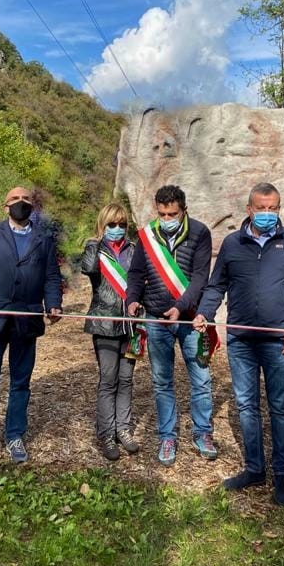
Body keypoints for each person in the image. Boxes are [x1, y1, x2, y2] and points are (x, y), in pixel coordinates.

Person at [194, 183, 284, 506]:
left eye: (273, 208)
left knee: (279, 408)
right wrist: (204, 313)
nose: (267, 214)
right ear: (248, 209)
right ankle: (254, 469)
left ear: (279, 208)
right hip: (241, 342)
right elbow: (216, 285)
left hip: (280, 342)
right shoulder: (233, 244)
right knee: (246, 406)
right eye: (261, 208)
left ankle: (281, 475)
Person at [0, 186, 63, 464]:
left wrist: (53, 303)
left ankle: (14, 435)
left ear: (32, 206)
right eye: (15, 199)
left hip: (27, 319)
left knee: (20, 382)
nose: (21, 203)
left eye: (25, 200)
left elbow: (51, 276)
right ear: (5, 206)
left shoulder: (44, 238)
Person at [126, 184, 216, 467]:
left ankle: (203, 433)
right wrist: (131, 298)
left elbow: (201, 277)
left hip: (189, 318)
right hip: (155, 318)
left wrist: (181, 306)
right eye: (162, 214)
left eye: (172, 214)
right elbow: (137, 272)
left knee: (200, 379)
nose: (167, 219)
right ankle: (168, 435)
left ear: (184, 210)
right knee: (162, 381)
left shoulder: (200, 233)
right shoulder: (147, 235)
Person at [81, 202, 140, 460]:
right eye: (112, 224)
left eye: (122, 225)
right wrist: (97, 242)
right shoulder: (95, 248)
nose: (117, 229)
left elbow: (139, 282)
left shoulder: (133, 250)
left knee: (126, 379)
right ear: (103, 225)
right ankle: (106, 433)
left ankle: (123, 429)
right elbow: (89, 269)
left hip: (130, 325)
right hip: (104, 323)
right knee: (109, 379)